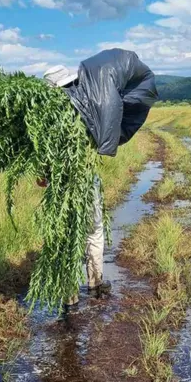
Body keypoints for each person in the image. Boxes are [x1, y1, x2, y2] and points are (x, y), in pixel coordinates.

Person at [43, 48, 158, 313]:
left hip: (59, 185)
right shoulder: (93, 104)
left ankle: (68, 295)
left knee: (64, 237)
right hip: (87, 179)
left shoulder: (47, 117)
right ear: (72, 81)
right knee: (93, 232)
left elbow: (44, 160)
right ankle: (95, 284)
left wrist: (45, 175)